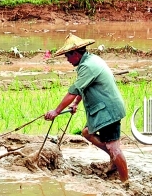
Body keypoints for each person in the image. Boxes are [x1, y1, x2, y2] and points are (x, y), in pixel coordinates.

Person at [44, 33, 128, 183]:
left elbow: (73, 90)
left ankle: (125, 181)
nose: (67, 60)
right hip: (103, 110)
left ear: (75, 53)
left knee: (114, 147)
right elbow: (84, 87)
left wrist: (56, 111)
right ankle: (114, 160)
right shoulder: (90, 61)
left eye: (67, 56)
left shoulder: (88, 66)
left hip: (108, 110)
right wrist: (75, 104)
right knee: (87, 132)